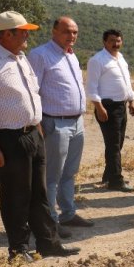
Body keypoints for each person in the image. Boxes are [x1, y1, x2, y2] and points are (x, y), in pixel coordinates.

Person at [0, 11, 80, 262]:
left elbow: (32, 96)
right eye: (23, 31)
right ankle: (18, 250)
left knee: (38, 193)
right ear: (7, 34)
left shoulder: (21, 58)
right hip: (10, 139)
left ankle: (48, 243)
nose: (27, 35)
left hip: (33, 134)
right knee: (17, 196)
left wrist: (38, 129)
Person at [29, 16, 94, 230]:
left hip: (76, 123)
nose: (72, 36)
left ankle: (68, 213)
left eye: (75, 32)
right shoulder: (40, 55)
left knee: (70, 172)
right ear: (54, 31)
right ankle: (50, 220)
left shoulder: (71, 56)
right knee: (52, 175)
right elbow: (33, 91)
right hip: (54, 123)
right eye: (67, 32)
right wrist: (37, 123)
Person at [86, 29, 134, 192]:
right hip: (107, 107)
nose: (116, 44)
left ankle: (109, 175)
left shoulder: (120, 59)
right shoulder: (97, 60)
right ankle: (116, 181)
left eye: (118, 40)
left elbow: (126, 82)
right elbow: (91, 88)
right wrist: (99, 108)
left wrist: (130, 102)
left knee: (117, 143)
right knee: (113, 144)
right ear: (104, 42)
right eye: (111, 41)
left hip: (121, 106)